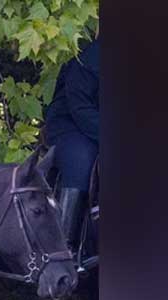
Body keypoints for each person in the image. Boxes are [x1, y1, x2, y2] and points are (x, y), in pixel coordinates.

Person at [44, 38, 99, 258]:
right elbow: (80, 107)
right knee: (82, 160)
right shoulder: (89, 57)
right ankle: (64, 249)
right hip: (71, 123)